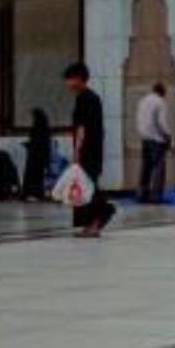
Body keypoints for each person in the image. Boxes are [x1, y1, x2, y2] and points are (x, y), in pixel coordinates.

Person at [64, 64, 113, 234]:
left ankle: (99, 217)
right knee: (87, 186)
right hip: (94, 149)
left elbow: (82, 128)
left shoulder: (85, 99)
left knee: (87, 187)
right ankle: (92, 223)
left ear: (78, 78)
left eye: (69, 79)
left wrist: (77, 151)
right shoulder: (91, 97)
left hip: (88, 150)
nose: (67, 83)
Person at [133, 82, 171, 204]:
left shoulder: (143, 101)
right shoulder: (160, 102)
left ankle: (142, 194)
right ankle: (156, 196)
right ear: (162, 92)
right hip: (157, 139)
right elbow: (161, 122)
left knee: (145, 167)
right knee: (158, 168)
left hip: (145, 138)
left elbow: (139, 119)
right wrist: (168, 136)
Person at [24, 107, 55, 201]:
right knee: (39, 176)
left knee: (33, 175)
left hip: (35, 156)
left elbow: (36, 142)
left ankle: (32, 193)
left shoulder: (37, 128)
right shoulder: (45, 128)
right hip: (40, 156)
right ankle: (38, 193)